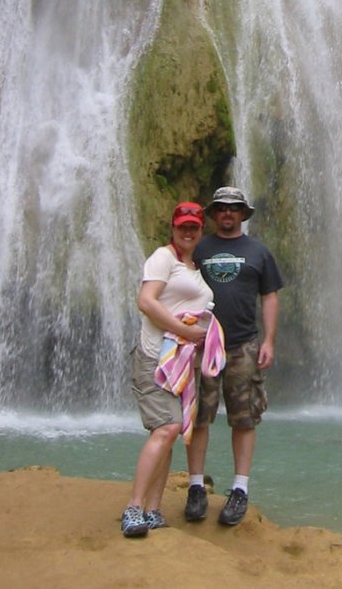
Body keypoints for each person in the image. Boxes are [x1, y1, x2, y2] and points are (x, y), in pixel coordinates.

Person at [184, 186, 283, 527]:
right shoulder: (198, 248)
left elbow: (269, 297)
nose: (228, 212)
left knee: (244, 417)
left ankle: (240, 488)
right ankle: (195, 486)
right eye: (222, 208)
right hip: (202, 344)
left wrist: (269, 340)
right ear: (213, 214)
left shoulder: (259, 252)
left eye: (234, 208)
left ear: (243, 213)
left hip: (243, 345)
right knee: (198, 417)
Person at [122, 202, 212, 538]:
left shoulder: (193, 267)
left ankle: (154, 510)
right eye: (182, 226)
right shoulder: (163, 257)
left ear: (201, 230)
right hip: (154, 357)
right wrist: (186, 331)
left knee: (169, 433)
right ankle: (133, 508)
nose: (187, 231)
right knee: (167, 427)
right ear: (172, 228)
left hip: (180, 364)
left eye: (194, 226)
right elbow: (146, 301)